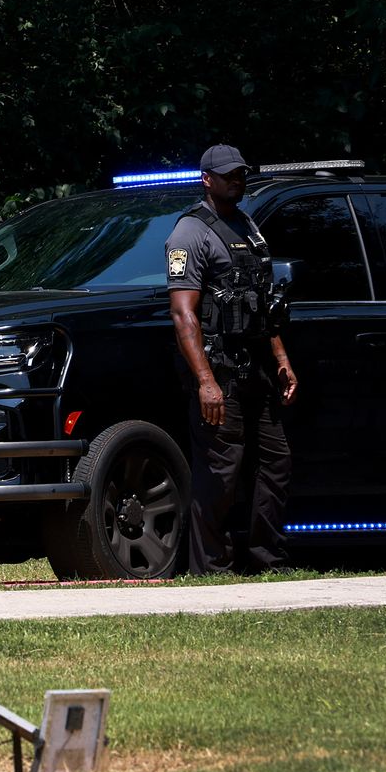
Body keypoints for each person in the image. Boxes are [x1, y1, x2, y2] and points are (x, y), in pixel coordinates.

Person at [165, 144, 298, 574]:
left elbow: (262, 301)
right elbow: (184, 315)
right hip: (220, 368)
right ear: (207, 179)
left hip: (258, 365)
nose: (236, 180)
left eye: (240, 173)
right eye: (227, 175)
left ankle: (268, 561)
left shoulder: (247, 224)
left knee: (275, 463)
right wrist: (205, 380)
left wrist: (281, 358)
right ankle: (212, 571)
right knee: (221, 472)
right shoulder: (190, 232)